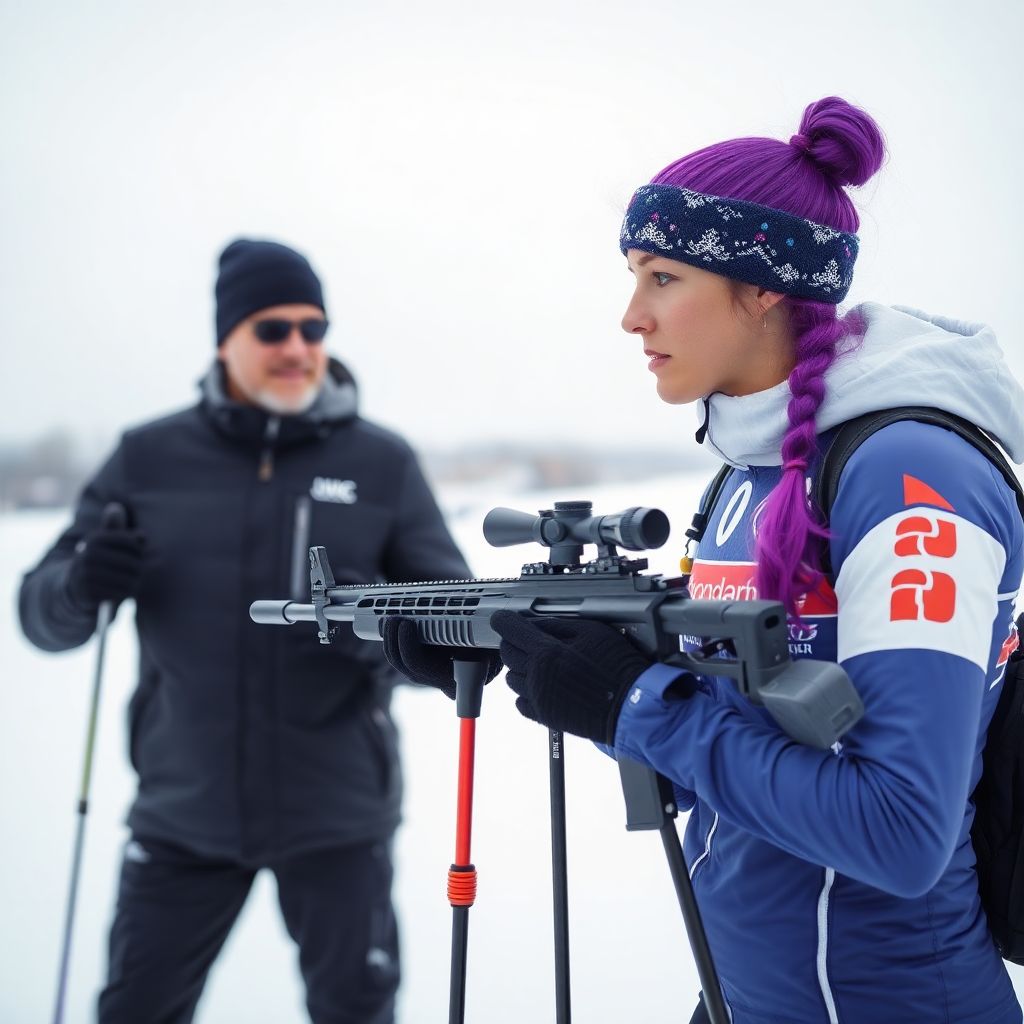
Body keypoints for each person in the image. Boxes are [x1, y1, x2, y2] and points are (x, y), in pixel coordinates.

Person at [383, 97, 1024, 1023]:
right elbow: (719, 766)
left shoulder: (908, 471)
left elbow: (898, 829)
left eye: (661, 276)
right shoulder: (746, 478)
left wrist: (636, 702)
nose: (631, 317)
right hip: (743, 994)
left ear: (764, 287)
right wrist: (544, 671)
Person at [19, 238, 471, 1024]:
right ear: (225, 339)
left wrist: (374, 624)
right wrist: (79, 584)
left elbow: (458, 625)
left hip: (339, 818)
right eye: (271, 329)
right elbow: (41, 615)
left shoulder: (381, 461)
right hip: (180, 817)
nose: (297, 347)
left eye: (312, 327)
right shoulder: (147, 456)